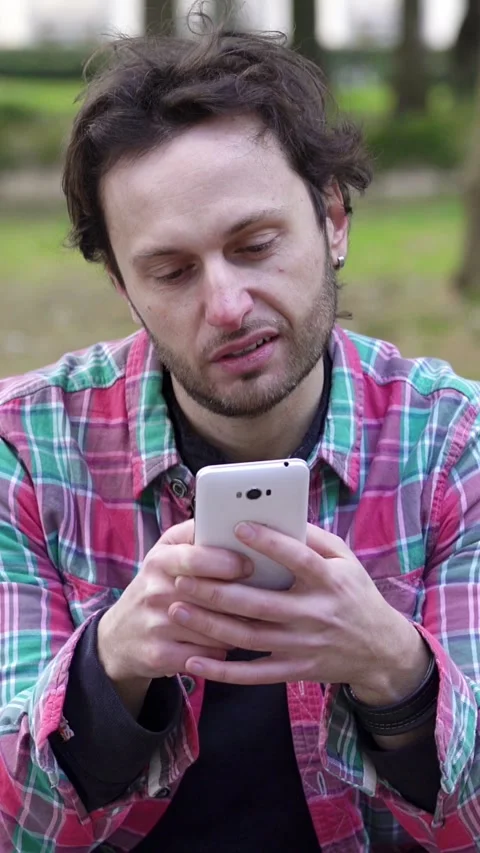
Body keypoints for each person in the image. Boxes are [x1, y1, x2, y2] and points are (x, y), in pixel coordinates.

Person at [0, 17, 479, 853]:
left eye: (256, 245)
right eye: (172, 271)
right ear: (121, 282)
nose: (226, 305)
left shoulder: (455, 447)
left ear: (333, 220)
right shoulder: (27, 451)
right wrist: (107, 668)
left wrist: (395, 672)